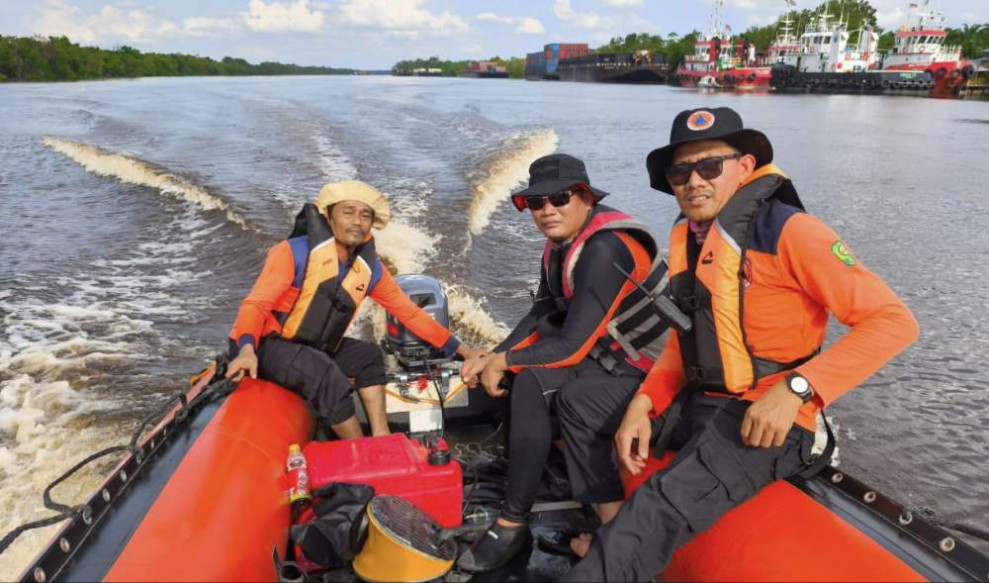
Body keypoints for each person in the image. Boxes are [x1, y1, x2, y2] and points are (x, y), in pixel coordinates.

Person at [562, 107, 920, 581]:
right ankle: (612, 537)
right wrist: (644, 403)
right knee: (580, 401)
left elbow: (893, 321)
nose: (694, 181)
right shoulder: (691, 240)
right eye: (680, 171)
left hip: (768, 415)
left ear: (746, 167)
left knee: (660, 503)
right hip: (702, 395)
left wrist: (797, 390)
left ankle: (613, 559)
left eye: (710, 166)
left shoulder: (793, 233)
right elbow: (684, 342)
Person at [456, 154, 670, 572]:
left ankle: (513, 521)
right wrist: (495, 355)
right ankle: (529, 469)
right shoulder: (560, 245)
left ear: (586, 198)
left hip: (651, 373)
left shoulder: (606, 247)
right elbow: (542, 312)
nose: (547, 209)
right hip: (609, 356)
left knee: (534, 382)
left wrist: (507, 361)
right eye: (536, 203)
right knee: (515, 375)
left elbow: (570, 345)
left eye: (559, 198)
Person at [225, 180, 478, 438]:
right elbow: (255, 304)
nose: (357, 221)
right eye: (348, 212)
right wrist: (246, 349)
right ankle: (359, 450)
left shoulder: (370, 270)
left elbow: (410, 313)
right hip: (264, 343)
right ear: (329, 216)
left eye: (365, 215)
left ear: (371, 224)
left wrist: (464, 352)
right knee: (325, 372)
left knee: (368, 357)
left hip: (310, 346)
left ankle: (382, 437)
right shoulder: (291, 253)